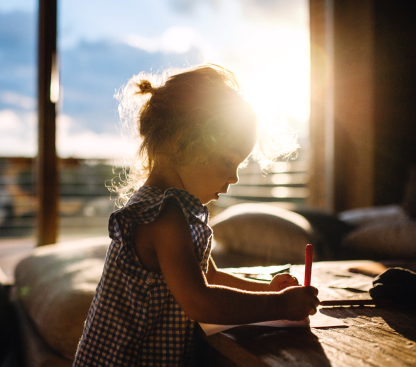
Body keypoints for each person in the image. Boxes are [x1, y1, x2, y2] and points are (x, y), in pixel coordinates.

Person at [73, 64, 319, 367]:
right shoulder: (164, 216)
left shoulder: (172, 212)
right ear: (182, 142)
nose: (234, 178)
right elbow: (199, 301)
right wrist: (279, 304)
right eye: (228, 160)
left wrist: (266, 288)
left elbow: (209, 277)